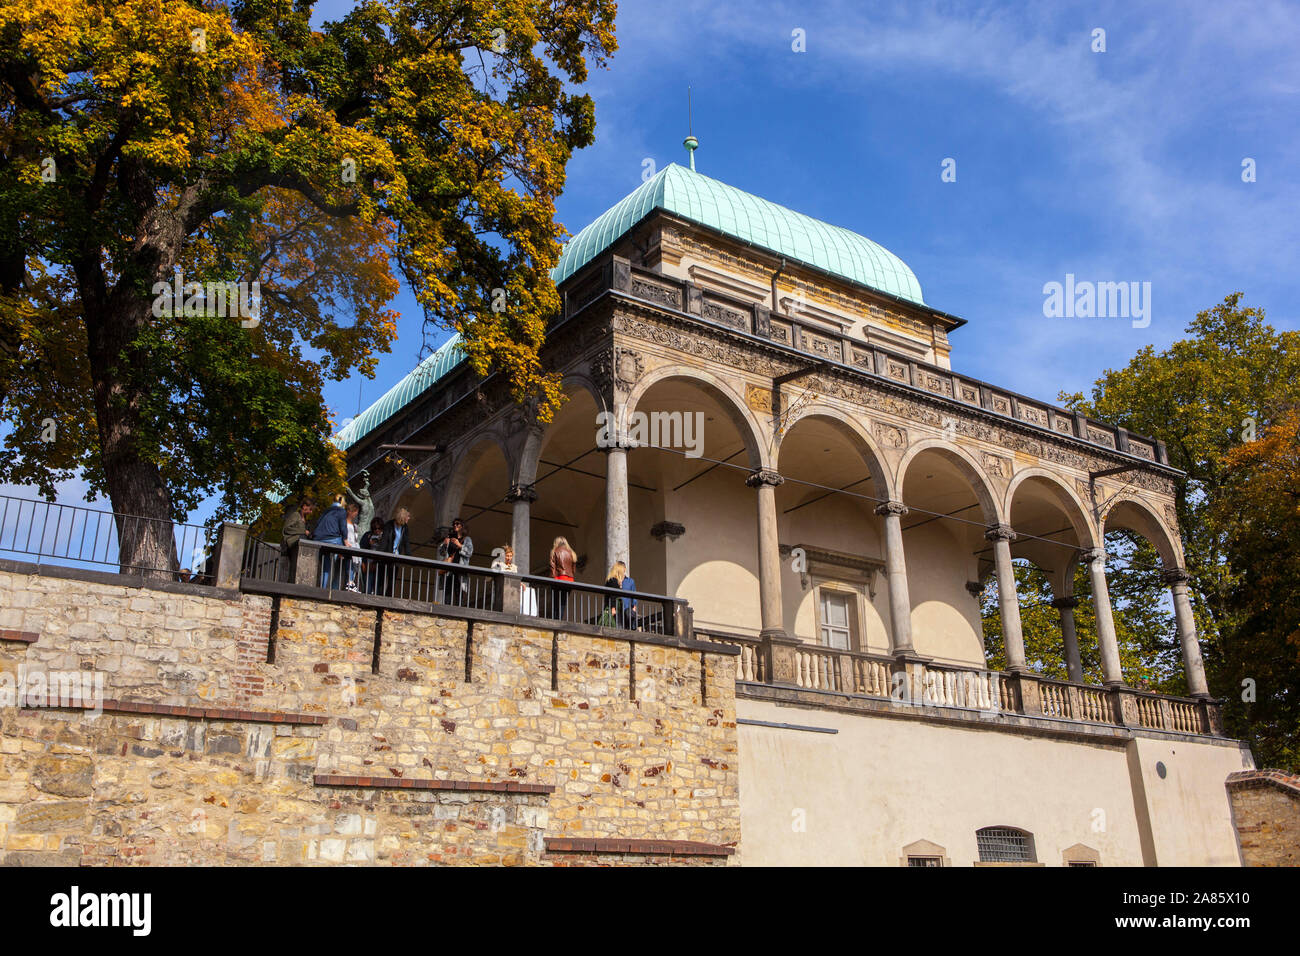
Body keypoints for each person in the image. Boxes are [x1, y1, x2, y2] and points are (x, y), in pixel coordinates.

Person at [313, 494, 349, 589]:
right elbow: (343, 527)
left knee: (326, 564)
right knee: (349, 553)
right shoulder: (341, 511)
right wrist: (345, 540)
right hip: (332, 539)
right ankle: (350, 581)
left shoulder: (326, 511)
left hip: (319, 539)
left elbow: (317, 524)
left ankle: (322, 587)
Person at [437, 518, 473, 606]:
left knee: (458, 590)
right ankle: (446, 608)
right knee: (447, 590)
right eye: (454, 524)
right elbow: (441, 552)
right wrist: (445, 544)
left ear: (462, 526)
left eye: (457, 524)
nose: (455, 526)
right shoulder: (450, 537)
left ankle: (458, 609)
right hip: (449, 568)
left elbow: (469, 552)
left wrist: (459, 545)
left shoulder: (467, 539)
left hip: (460, 569)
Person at [377, 507, 411, 596]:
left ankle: (388, 599)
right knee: (382, 579)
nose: (409, 518)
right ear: (402, 517)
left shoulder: (405, 528)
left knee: (392, 580)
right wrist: (379, 554)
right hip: (386, 556)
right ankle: (379, 598)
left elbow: (406, 542)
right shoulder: (389, 525)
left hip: (396, 557)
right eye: (408, 516)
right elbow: (384, 541)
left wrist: (409, 556)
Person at [548, 536, 576, 621]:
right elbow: (573, 569)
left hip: (558, 578)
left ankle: (555, 620)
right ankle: (559, 619)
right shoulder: (572, 553)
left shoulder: (554, 552)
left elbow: (552, 568)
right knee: (563, 602)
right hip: (569, 580)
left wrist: (552, 579)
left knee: (556, 602)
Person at [360, 517, 385, 594]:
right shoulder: (367, 535)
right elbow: (361, 548)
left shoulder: (385, 536)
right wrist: (369, 543)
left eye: (379, 528)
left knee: (378, 588)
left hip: (379, 565)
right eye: (375, 529)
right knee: (367, 587)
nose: (377, 530)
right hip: (368, 564)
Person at [344, 501, 362, 592]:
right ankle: (349, 583)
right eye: (355, 512)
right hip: (348, 547)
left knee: (353, 567)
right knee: (348, 566)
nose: (356, 514)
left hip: (354, 548)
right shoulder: (344, 523)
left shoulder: (355, 525)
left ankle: (351, 583)